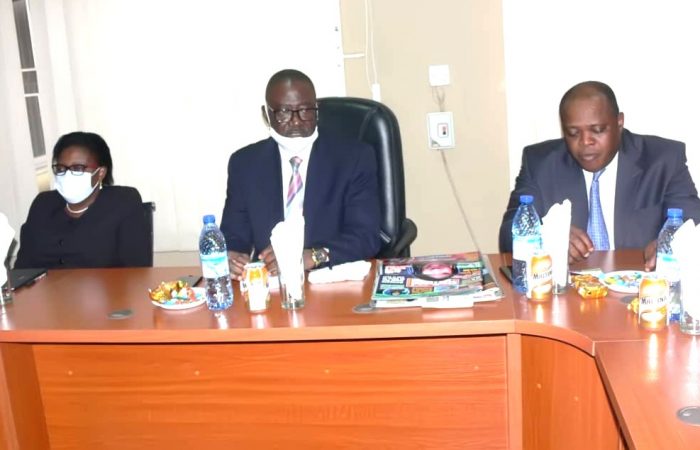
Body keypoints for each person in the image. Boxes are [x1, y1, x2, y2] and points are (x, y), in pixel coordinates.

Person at [499, 81, 700, 270]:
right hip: (568, 289)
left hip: (639, 286)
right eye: (573, 133)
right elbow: (508, 234)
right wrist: (547, 237)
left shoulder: (663, 160)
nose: (585, 141)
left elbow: (692, 224)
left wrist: (669, 244)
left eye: (597, 130)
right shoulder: (540, 163)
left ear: (619, 122)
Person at [220, 69, 381, 279]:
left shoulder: (354, 158)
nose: (296, 121)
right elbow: (233, 236)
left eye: (305, 110)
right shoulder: (245, 164)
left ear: (317, 110)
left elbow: (366, 237)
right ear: (266, 114)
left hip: (332, 281)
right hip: (272, 285)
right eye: (284, 112)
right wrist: (231, 257)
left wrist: (312, 257)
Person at [14, 131, 151, 269]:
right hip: (46, 283)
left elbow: (136, 271)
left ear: (100, 173)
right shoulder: (43, 205)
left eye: (78, 168)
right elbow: (22, 270)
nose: (67, 175)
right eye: (61, 168)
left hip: (107, 284)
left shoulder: (123, 203)